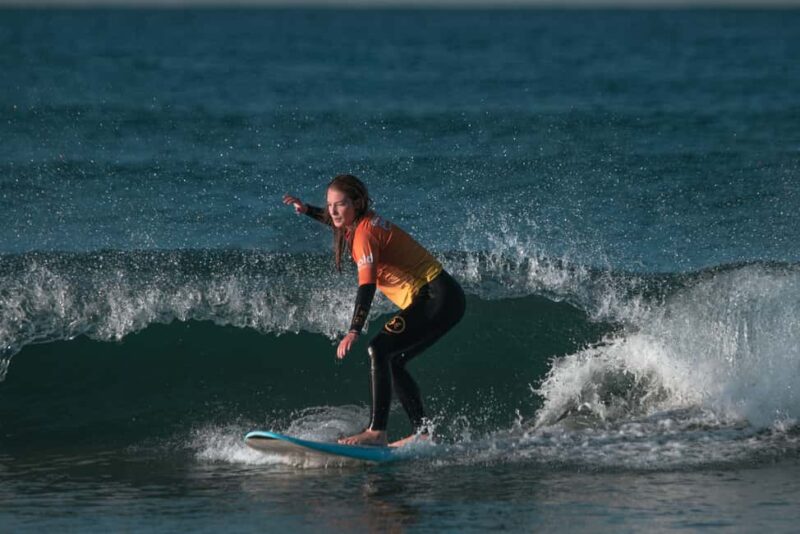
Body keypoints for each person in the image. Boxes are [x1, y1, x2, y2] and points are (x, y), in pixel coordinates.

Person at [282, 175, 466, 447]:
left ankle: (376, 431)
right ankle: (424, 433)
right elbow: (334, 219)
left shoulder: (365, 234)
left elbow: (366, 286)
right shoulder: (361, 221)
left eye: (340, 204)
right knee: (393, 360)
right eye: (329, 204)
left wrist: (353, 330)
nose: (332, 211)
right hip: (443, 296)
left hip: (436, 296)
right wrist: (308, 210)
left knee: (378, 348)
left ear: (356, 204)